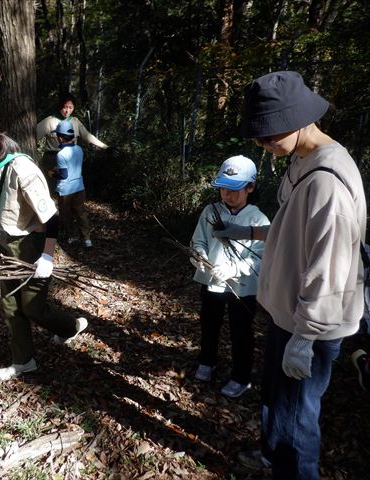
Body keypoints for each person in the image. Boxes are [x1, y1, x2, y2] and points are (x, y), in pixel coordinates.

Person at [213, 71, 366, 478]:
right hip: (289, 312)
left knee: (298, 415)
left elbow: (331, 267)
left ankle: (294, 470)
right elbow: (292, 226)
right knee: (278, 400)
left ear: (298, 121)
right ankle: (272, 455)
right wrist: (248, 231)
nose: (262, 145)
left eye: (268, 136)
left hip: (310, 323)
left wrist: (306, 336)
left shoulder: (327, 183)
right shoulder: (301, 158)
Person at [0, 114, 88, 381]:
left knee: (33, 308)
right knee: (11, 307)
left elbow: (52, 218)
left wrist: (46, 256)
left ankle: (71, 326)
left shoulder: (22, 169)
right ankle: (23, 361)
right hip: (6, 246)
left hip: (32, 246)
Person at [189, 155, 269, 398]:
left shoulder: (258, 219)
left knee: (241, 330)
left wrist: (235, 269)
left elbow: (261, 257)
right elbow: (198, 240)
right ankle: (207, 361)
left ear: (250, 187)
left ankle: (241, 376)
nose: (228, 195)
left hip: (242, 287)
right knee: (209, 323)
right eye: (224, 188)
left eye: (235, 189)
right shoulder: (210, 211)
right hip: (211, 281)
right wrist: (199, 257)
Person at [37, 93, 108, 192]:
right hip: (52, 160)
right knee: (51, 190)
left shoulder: (75, 121)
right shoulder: (49, 121)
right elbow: (32, 137)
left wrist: (106, 147)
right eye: (65, 107)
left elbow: (88, 136)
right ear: (60, 106)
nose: (67, 111)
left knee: (69, 191)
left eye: (71, 107)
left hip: (71, 159)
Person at [52, 120, 93, 248]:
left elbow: (63, 175)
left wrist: (52, 173)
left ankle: (72, 236)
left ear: (60, 137)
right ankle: (87, 239)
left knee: (66, 214)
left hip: (65, 190)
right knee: (81, 213)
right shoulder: (79, 149)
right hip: (79, 187)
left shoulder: (60, 154)